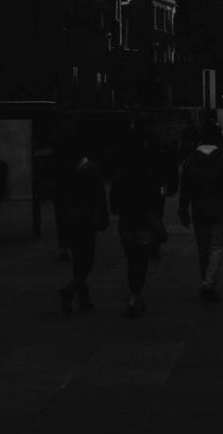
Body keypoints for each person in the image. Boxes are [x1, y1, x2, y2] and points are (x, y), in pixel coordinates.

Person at [178, 120, 223, 303]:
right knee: (216, 246)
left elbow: (185, 187)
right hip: (220, 206)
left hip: (199, 208)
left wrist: (183, 209)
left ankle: (206, 280)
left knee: (203, 248)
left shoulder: (191, 160)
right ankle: (209, 281)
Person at [110, 130, 165, 318]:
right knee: (140, 261)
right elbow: (156, 201)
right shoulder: (147, 175)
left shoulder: (119, 177)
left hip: (126, 223)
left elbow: (114, 206)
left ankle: (134, 294)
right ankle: (136, 294)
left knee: (131, 259)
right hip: (143, 222)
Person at [57, 144, 109, 315]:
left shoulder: (68, 173)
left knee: (79, 261)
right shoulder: (92, 173)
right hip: (86, 223)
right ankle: (70, 291)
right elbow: (99, 199)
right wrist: (102, 218)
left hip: (71, 222)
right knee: (86, 262)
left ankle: (84, 299)